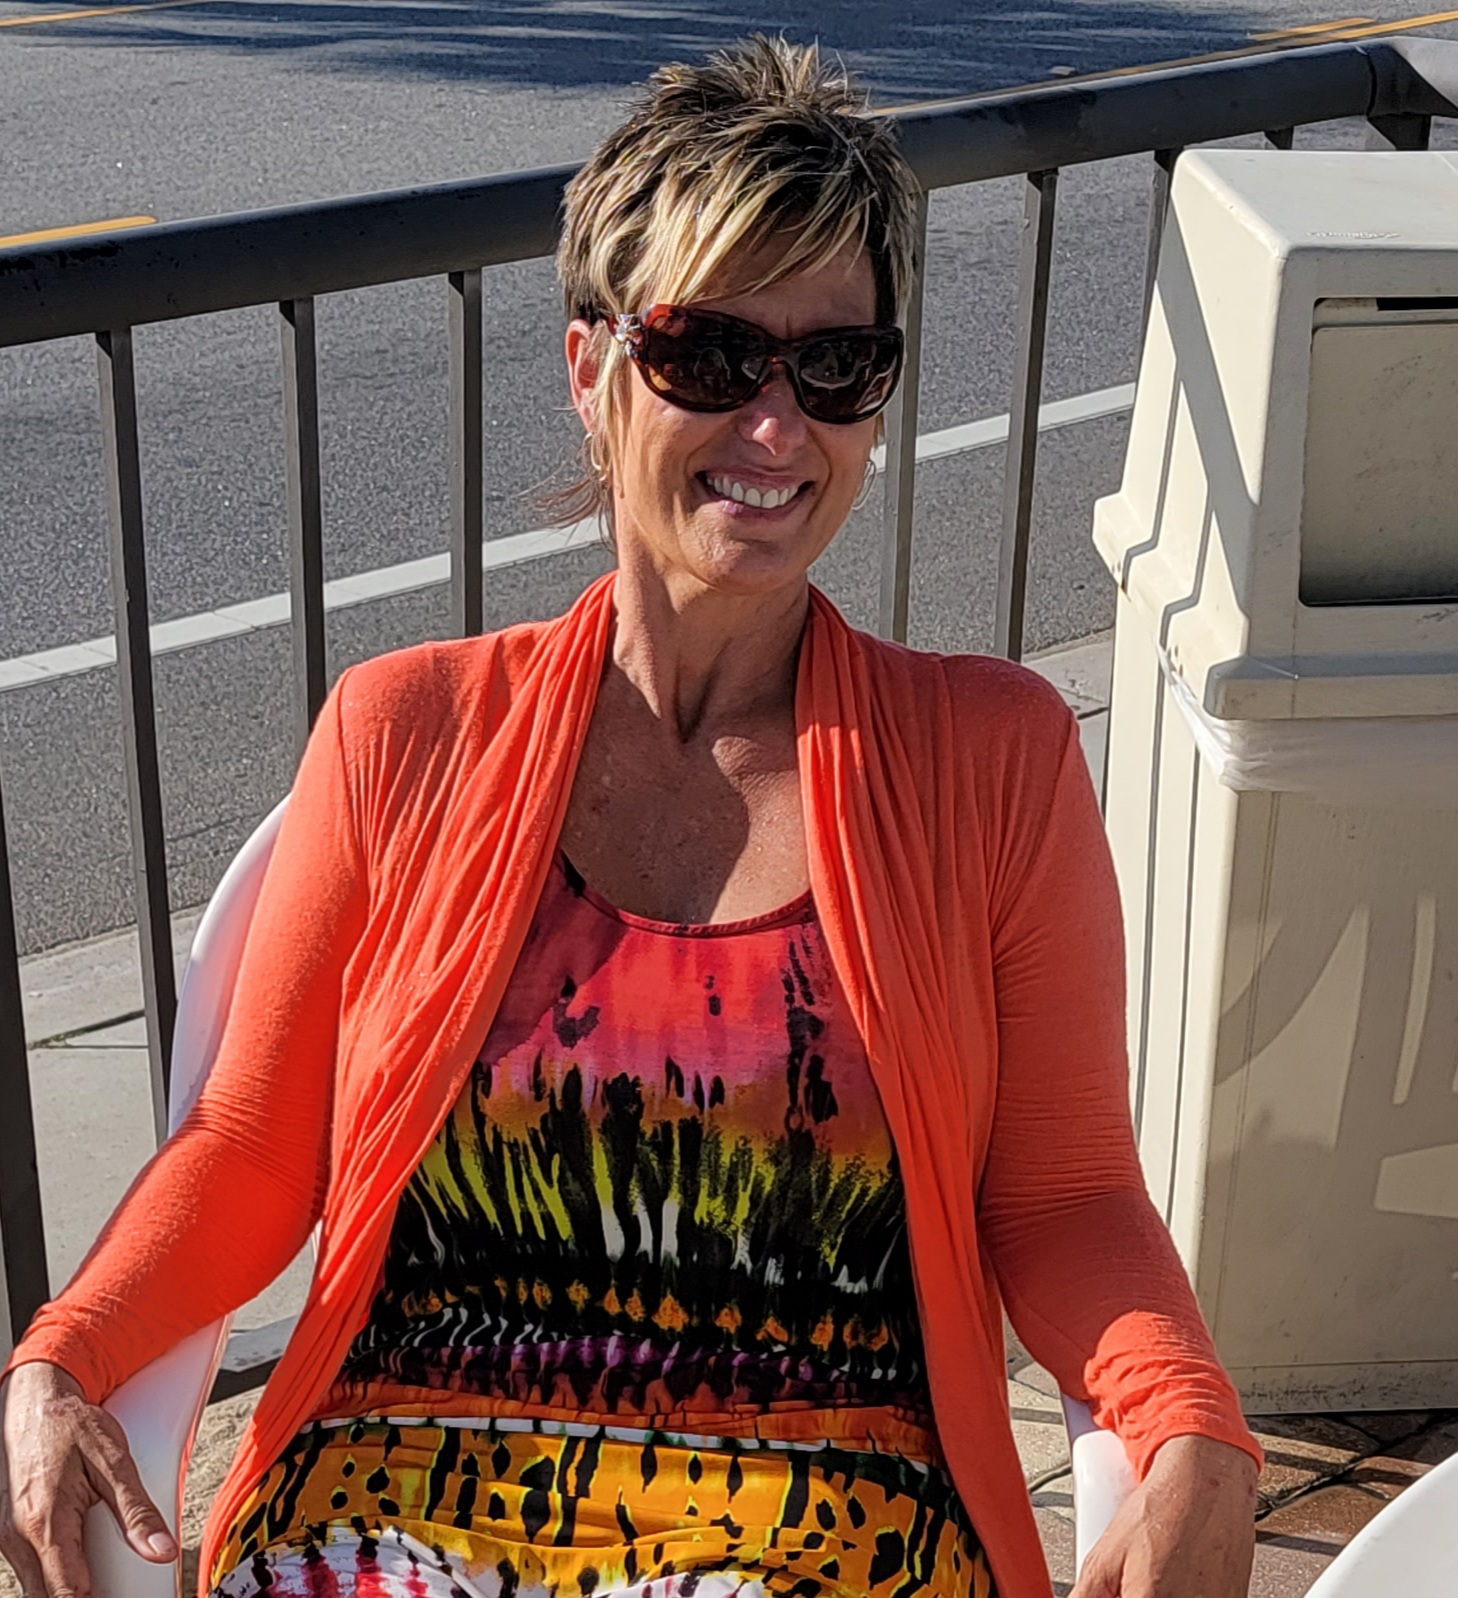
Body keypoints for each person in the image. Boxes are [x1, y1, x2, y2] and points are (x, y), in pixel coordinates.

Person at [0, 36, 1261, 1598]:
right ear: (591, 370)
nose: (778, 425)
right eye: (709, 356)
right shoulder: (403, 732)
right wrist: (60, 1353)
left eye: (837, 365)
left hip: (825, 1516)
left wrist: (1186, 1415)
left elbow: (1064, 1195)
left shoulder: (990, 760)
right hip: (395, 1499)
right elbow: (251, 1146)